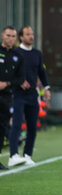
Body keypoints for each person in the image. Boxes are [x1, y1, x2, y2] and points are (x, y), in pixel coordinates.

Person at [8, 26, 51, 167]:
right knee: (17, 125)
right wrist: (19, 81)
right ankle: (13, 155)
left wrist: (47, 88)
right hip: (18, 94)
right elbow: (9, 73)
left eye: (32, 34)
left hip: (32, 95)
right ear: (21, 37)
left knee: (32, 127)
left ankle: (27, 155)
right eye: (28, 34)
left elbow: (41, 72)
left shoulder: (37, 54)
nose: (31, 36)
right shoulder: (15, 52)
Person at [0, 26, 25, 169]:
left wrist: (7, 83)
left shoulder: (18, 57)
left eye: (13, 36)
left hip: (6, 96)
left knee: (2, 127)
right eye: (8, 35)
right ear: (2, 35)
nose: (10, 38)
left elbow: (21, 78)